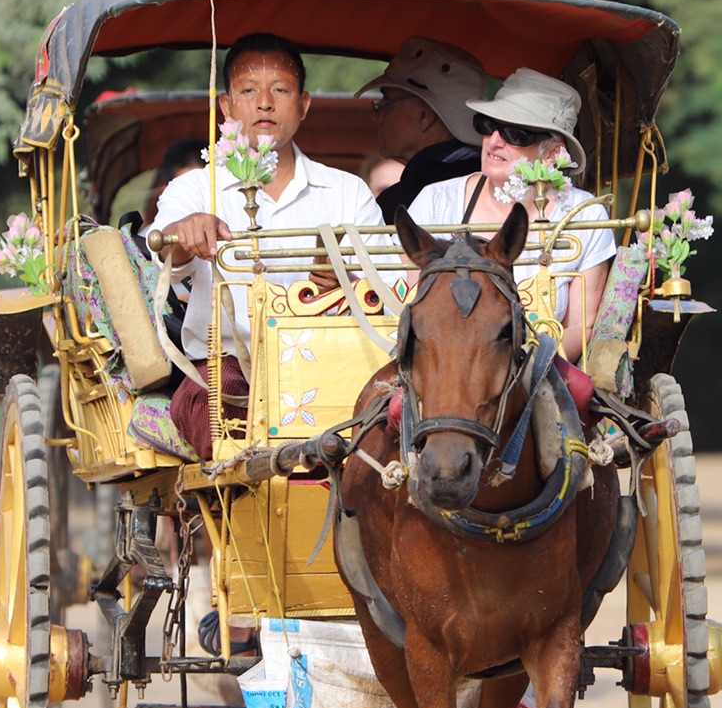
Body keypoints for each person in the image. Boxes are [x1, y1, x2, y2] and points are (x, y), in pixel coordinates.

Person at [147, 33, 382, 459]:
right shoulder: (197, 188)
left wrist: (346, 280)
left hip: (335, 364)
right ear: (226, 107)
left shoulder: (349, 193)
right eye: (249, 91)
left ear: (304, 104)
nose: (265, 104)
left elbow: (384, 286)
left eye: (280, 90)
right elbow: (166, 250)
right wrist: (187, 233)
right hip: (227, 370)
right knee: (223, 427)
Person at [406, 68, 613, 362]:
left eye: (515, 134)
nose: (494, 141)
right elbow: (408, 301)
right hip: (440, 367)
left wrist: (517, 365)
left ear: (553, 153)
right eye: (489, 125)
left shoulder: (585, 215)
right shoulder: (435, 201)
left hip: (539, 371)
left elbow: (582, 326)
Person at [357, 37, 487, 222]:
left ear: (424, 116)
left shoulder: (399, 202)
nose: (375, 115)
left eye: (385, 103)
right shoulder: (498, 183)